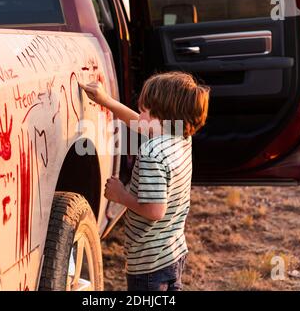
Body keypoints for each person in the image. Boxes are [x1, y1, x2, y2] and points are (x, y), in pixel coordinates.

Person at [80, 71, 210, 291]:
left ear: (162, 116)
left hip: (149, 262)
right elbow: (140, 124)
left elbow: (155, 211)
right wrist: (107, 101)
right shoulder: (179, 138)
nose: (139, 115)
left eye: (144, 110)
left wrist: (121, 195)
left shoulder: (152, 153)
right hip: (173, 251)